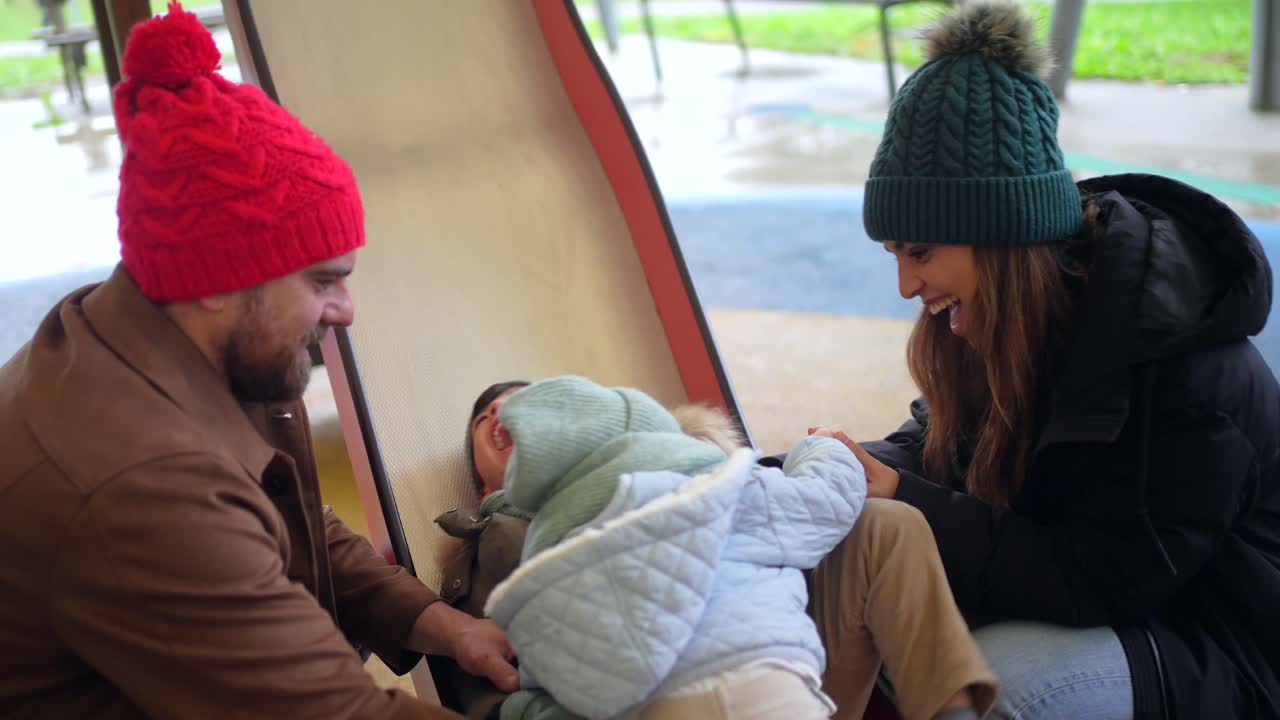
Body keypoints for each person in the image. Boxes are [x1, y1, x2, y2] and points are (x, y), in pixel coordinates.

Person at [0, 5, 514, 718]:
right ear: (216, 280)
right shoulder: (139, 483)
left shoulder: (164, 333)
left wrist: (443, 625)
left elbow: (293, 517)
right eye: (322, 281)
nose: (346, 311)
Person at [813, 2, 1280, 718]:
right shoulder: (999, 322)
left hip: (1216, 639)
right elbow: (937, 451)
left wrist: (906, 498)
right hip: (1110, 605)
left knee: (998, 689)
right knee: (869, 578)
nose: (906, 285)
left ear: (996, 237)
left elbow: (1106, 579)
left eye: (919, 252)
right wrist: (844, 470)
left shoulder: (1184, 368)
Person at [443, 377, 997, 720]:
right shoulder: (505, 540)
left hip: (778, 652)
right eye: (487, 422)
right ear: (486, 486)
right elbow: (509, 685)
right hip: (648, 698)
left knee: (885, 524)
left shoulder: (676, 475)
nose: (505, 419)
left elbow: (802, 508)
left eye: (528, 413)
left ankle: (948, 709)